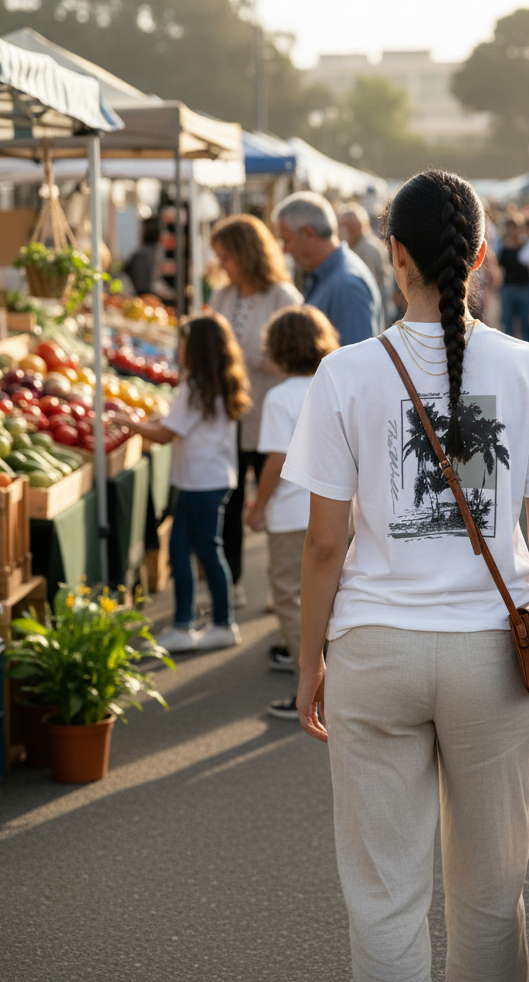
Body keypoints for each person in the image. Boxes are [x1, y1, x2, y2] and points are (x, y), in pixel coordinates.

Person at [282, 169, 529, 982]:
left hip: (374, 651)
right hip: (494, 656)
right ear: (481, 256)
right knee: (490, 892)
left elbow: (322, 546)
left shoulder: (344, 373)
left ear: (394, 254)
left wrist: (311, 660)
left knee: (384, 896)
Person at [120, 313, 251, 652]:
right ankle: (194, 623)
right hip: (211, 479)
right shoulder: (219, 383)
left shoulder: (195, 388)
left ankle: (214, 623)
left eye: (183, 343)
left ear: (196, 348)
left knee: (197, 551)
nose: (178, 349)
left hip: (199, 483)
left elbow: (165, 434)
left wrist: (128, 423)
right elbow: (174, 424)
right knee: (192, 549)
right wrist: (147, 422)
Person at [245, 305, 340, 719]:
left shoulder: (279, 397)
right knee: (333, 594)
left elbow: (275, 460)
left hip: (290, 512)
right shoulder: (332, 383)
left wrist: (258, 505)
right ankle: (334, 671)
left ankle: (314, 684)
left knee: (289, 596)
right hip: (336, 509)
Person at [209, 214, 302, 606]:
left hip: (272, 419)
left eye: (226, 256)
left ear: (247, 253)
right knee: (230, 504)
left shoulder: (283, 297)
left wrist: (245, 357)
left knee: (274, 501)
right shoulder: (222, 296)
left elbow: (295, 357)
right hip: (230, 418)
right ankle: (231, 585)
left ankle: (279, 584)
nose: (222, 265)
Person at [273, 192, 384, 345]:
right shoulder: (331, 275)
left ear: (308, 233)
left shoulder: (346, 286)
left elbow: (357, 356)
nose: (284, 249)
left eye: (286, 240)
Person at [339, 203, 394, 315]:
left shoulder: (370, 249)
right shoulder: (350, 245)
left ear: (362, 225)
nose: (347, 230)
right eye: (344, 226)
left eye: (352, 226)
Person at [497, 216, 529, 341]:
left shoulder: (527, 247)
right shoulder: (503, 248)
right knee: (507, 326)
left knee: (525, 326)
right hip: (508, 289)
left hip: (524, 289)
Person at [123, 218, 160, 296]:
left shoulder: (141, 252)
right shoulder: (151, 253)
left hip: (140, 291)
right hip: (145, 292)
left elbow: (126, 268)